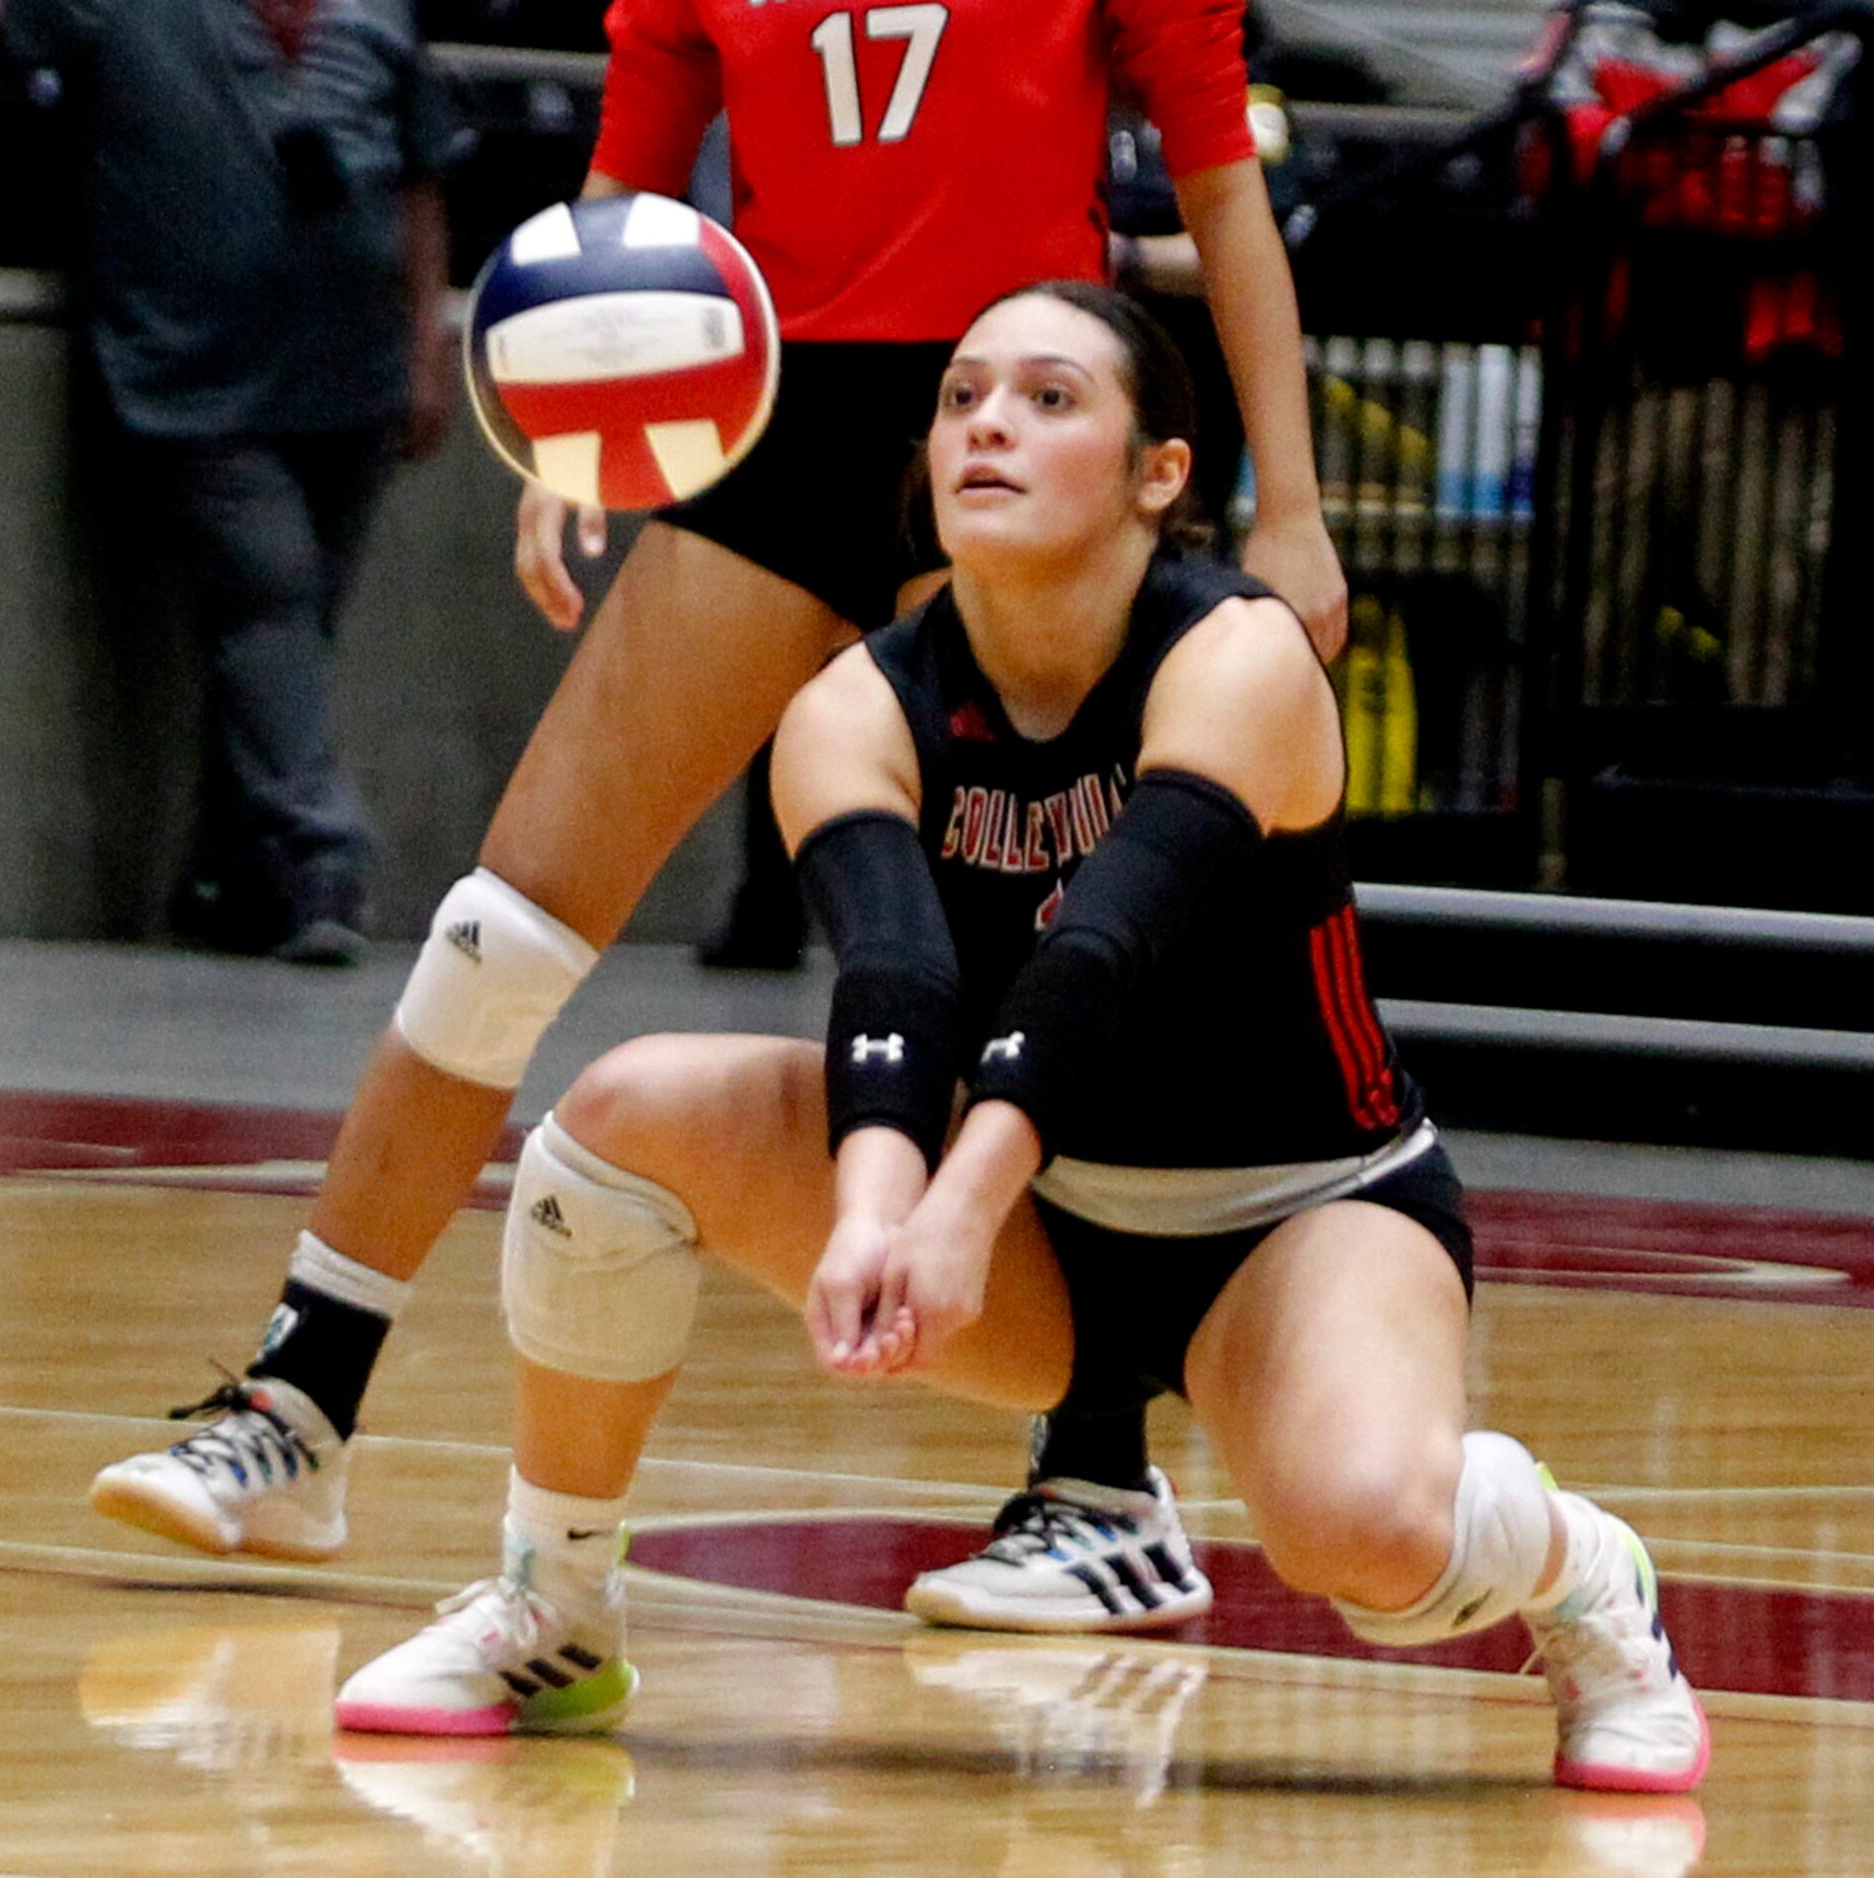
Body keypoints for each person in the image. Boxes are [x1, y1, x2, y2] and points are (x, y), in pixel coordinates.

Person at [330, 284, 1707, 1795]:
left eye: (1050, 398)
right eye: (963, 396)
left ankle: (1585, 1576)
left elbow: (1099, 954)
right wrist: (870, 1211)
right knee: (622, 1116)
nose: (989, 421)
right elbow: (898, 977)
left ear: (1157, 473)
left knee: (1367, 1531)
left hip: (1298, 1211)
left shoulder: (1238, 656)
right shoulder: (856, 698)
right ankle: (554, 1601)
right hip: (1048, 1239)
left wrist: (952, 1212)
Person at [90, 0, 1348, 1629]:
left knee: (1028, 955)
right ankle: (296, 1409)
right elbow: (617, 219)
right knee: (498, 929)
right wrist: (566, 447)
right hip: (765, 423)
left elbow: (1216, 187)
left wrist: (1298, 507)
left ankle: (1097, 1475)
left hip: (997, 418)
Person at [0, 0, 462, 963]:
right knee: (271, 593)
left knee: (281, 637)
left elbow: (418, 180)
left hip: (349, 379)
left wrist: (425, 350)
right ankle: (319, 861)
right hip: (191, 376)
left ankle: (228, 880)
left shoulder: (378, 13)